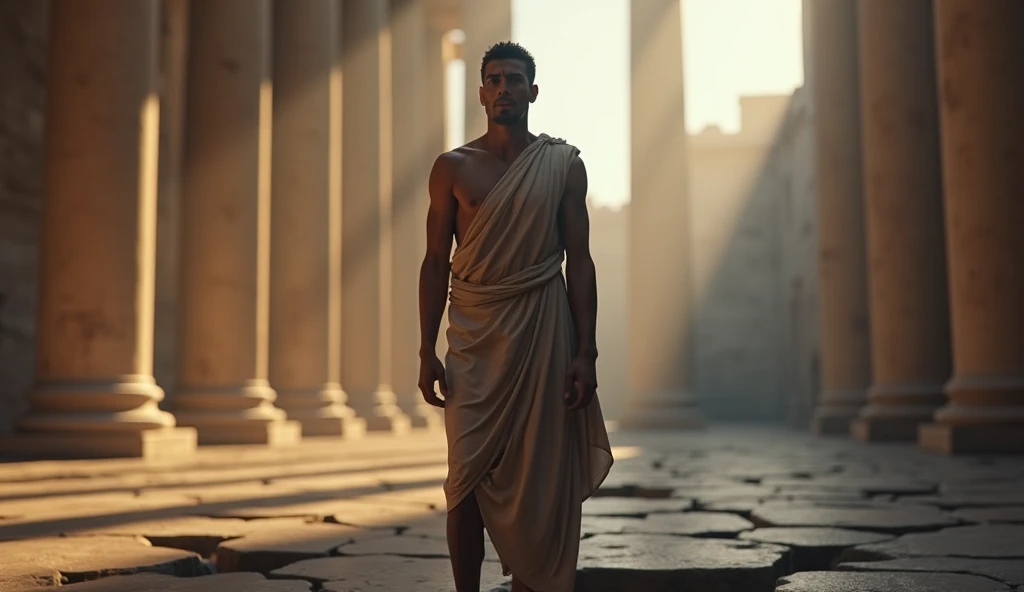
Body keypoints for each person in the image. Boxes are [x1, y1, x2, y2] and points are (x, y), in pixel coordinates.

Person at [417, 41, 614, 592]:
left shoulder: (563, 165)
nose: (504, 88)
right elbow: (435, 262)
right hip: (474, 337)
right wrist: (425, 350)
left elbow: (581, 260)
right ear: (482, 92)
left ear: (533, 91)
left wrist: (586, 352)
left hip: (544, 332)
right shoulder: (452, 167)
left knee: (540, 474)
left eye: (514, 79)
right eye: (495, 80)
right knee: (464, 477)